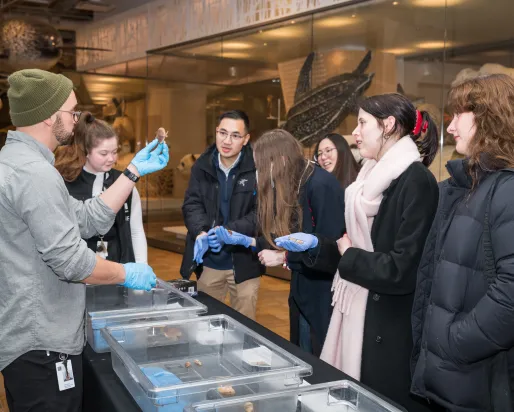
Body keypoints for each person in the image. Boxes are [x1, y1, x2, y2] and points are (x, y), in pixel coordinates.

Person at [0, 69, 169, 412]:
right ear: (50, 116)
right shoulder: (34, 174)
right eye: (72, 112)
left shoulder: (19, 163)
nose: (76, 121)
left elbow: (83, 218)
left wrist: (131, 172)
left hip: (29, 339)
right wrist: (127, 273)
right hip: (41, 343)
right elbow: (72, 262)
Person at [275, 93, 440, 411]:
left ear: (388, 125)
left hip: (388, 331)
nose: (356, 132)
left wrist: (348, 253)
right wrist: (315, 247)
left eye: (363, 123)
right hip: (355, 316)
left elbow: (401, 270)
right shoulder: (366, 182)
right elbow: (347, 250)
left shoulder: (416, 181)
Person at [411, 74, 514, 411]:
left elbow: (511, 292)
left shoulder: (506, 190)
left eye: (458, 115)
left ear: (488, 118)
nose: (450, 126)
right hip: (447, 377)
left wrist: (453, 341)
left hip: (474, 377)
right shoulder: (465, 186)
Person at [210, 129, 346, 356]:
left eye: (262, 166)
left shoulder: (319, 184)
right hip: (303, 289)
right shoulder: (297, 182)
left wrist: (284, 257)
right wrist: (250, 241)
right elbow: (289, 237)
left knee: (318, 358)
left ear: (281, 160)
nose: (260, 173)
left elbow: (331, 253)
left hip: (323, 295)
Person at [180, 110, 263, 320]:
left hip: (244, 263)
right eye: (222, 133)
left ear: (246, 139)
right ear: (216, 132)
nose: (227, 141)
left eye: (235, 136)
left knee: (245, 329)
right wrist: (201, 232)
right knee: (203, 324)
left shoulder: (258, 168)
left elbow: (261, 214)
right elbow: (192, 204)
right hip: (210, 260)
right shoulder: (202, 165)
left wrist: (229, 232)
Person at [55, 113, 147, 264]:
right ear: (86, 151)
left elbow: (136, 231)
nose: (112, 159)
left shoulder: (125, 181)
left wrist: (142, 267)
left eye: (114, 152)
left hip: (118, 266)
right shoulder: (66, 182)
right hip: (79, 270)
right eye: (103, 153)